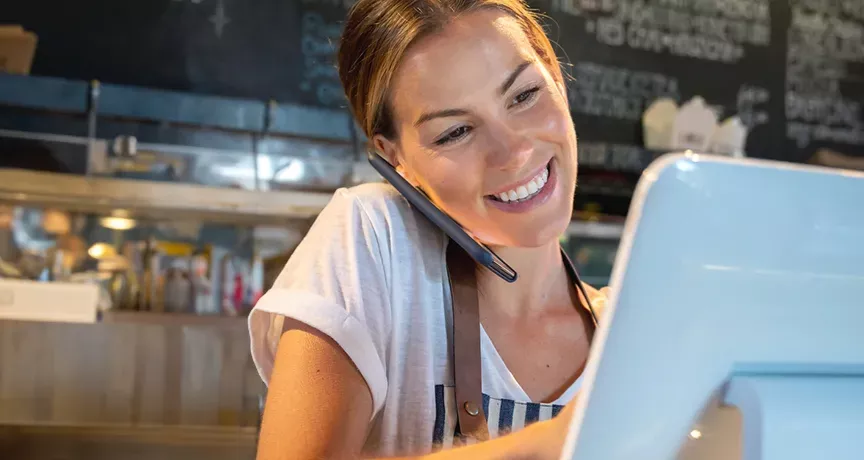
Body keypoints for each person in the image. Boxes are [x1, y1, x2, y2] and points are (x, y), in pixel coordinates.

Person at [249, 0, 610, 458]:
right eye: (455, 132)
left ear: (556, 77)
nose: (513, 152)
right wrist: (547, 445)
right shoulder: (374, 238)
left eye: (524, 95)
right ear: (396, 157)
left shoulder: (631, 331)